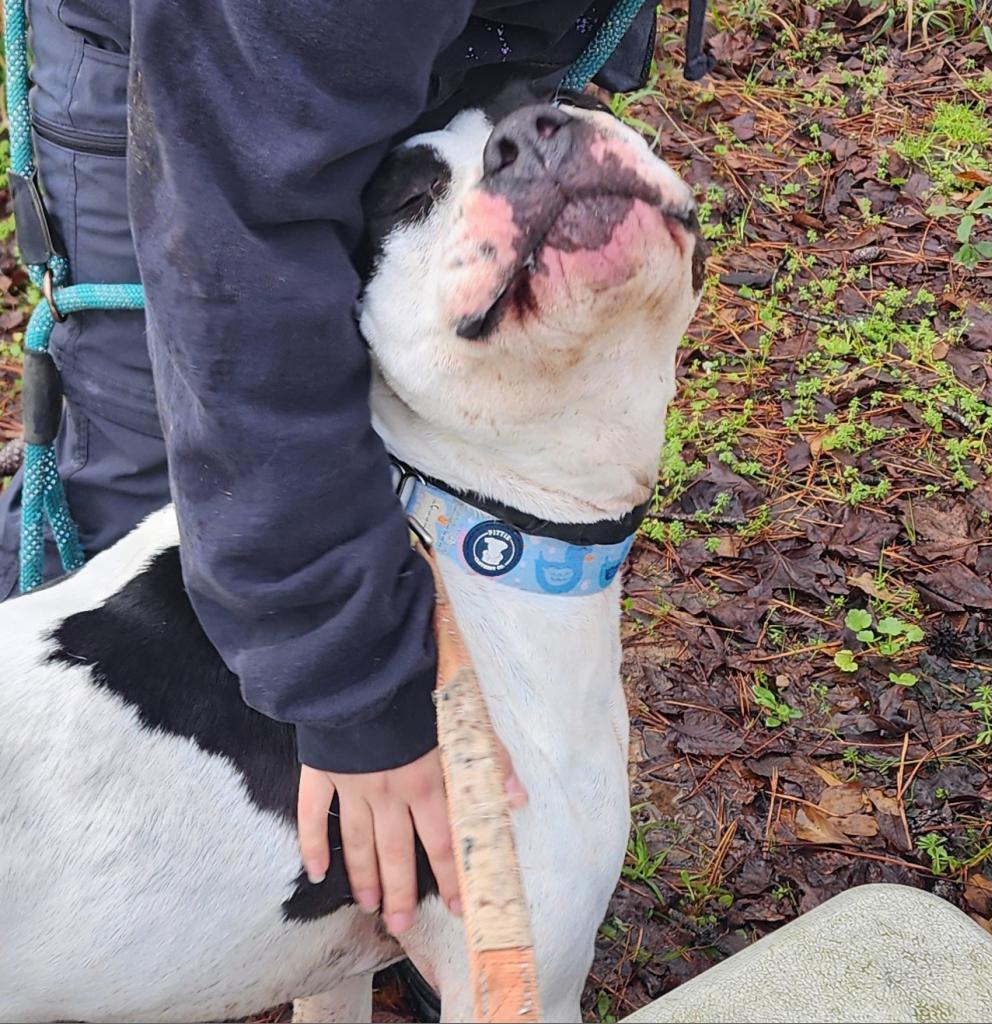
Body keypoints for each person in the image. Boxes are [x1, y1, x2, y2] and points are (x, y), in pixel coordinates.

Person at [0, 0, 657, 937]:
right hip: (212, 69)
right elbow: (234, 269)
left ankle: (425, 897)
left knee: (400, 446)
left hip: (453, 37)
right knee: (156, 511)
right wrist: (356, 699)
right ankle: (122, 920)